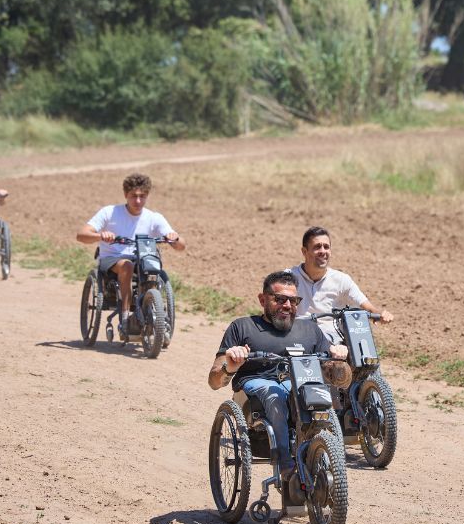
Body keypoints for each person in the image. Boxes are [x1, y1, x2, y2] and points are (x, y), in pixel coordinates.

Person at [210, 270, 347, 491]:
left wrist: (337, 355)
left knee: (315, 393)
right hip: (257, 386)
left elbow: (328, 365)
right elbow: (214, 380)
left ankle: (323, 456)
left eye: (293, 301)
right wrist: (231, 365)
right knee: (275, 393)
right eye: (279, 299)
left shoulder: (310, 329)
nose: (287, 305)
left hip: (297, 383)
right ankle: (286, 466)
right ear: (263, 299)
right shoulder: (243, 327)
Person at [77, 173, 185, 326]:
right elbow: (81, 235)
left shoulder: (154, 218)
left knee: (152, 266)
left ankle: (152, 313)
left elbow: (181, 246)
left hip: (142, 257)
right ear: (125, 195)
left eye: (142, 196)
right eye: (134, 196)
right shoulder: (109, 212)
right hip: (113, 258)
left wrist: (174, 238)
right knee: (127, 265)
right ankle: (126, 316)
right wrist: (100, 235)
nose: (138, 200)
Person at [290, 226, 393, 341]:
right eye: (317, 247)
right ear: (304, 251)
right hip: (298, 337)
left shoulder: (342, 280)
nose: (323, 251)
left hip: (332, 341)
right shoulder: (288, 278)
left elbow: (368, 307)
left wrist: (381, 314)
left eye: (326, 247)